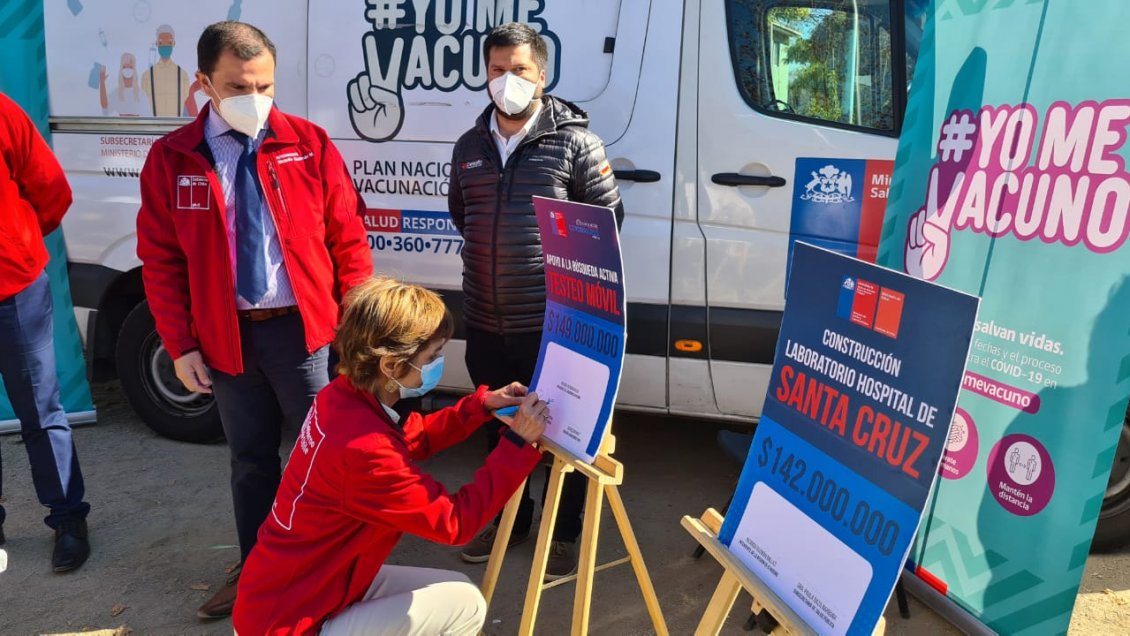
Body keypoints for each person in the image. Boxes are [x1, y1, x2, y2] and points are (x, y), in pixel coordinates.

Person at [135, 21, 372, 620]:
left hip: (303, 334)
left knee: (324, 455)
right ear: (204, 85)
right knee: (250, 461)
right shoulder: (173, 158)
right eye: (240, 86)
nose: (256, 98)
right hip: (227, 340)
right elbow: (160, 261)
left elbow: (348, 241)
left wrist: (354, 331)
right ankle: (259, 571)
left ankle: (335, 571)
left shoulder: (309, 143)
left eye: (266, 84)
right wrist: (180, 344)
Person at [234, 277, 547, 635]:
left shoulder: (342, 396)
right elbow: (456, 522)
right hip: (291, 622)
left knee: (453, 589)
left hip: (298, 590)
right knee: (465, 604)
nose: (439, 362)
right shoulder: (363, 451)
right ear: (391, 366)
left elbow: (409, 439)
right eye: (432, 356)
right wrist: (518, 445)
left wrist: (479, 406)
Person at [448, 22, 624, 579]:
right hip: (485, 320)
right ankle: (510, 521)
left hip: (554, 325)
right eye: (497, 70)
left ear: (542, 75)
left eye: (519, 70)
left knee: (565, 435)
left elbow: (607, 223)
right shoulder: (470, 145)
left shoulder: (575, 143)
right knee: (502, 427)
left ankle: (565, 533)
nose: (507, 82)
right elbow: (465, 216)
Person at [0, 91, 91, 572]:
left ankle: (68, 518)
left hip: (12, 285)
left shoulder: (0, 110)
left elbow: (50, 187)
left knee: (40, 407)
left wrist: (19, 238)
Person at [141, 24, 191, 116]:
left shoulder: (183, 75)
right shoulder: (147, 76)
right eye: (161, 43)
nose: (165, 46)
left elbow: (185, 97)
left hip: (175, 128)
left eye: (168, 42)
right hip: (153, 128)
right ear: (156, 44)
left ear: (173, 43)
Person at [99, 52, 145, 117]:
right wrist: (102, 82)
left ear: (134, 69)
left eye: (130, 67)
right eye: (124, 67)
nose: (127, 69)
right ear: (121, 69)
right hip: (122, 125)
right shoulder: (117, 93)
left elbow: (149, 115)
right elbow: (105, 109)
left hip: (137, 125)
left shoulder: (141, 93)